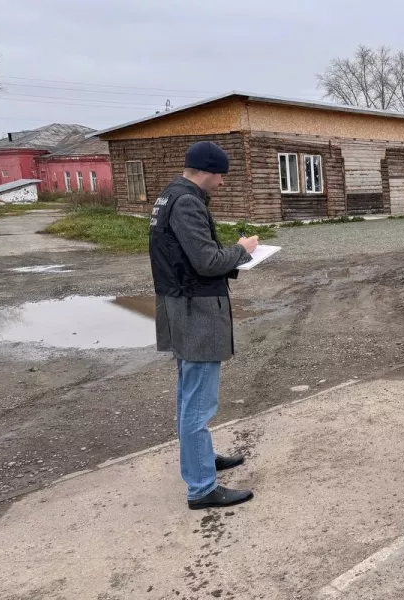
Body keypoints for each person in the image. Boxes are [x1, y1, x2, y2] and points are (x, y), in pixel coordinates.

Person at [148, 140, 259, 510]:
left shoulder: (169, 195)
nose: (223, 183)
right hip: (195, 311)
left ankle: (202, 459)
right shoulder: (187, 202)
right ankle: (201, 487)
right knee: (198, 403)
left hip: (181, 305)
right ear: (208, 171)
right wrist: (243, 250)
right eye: (221, 175)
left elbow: (187, 257)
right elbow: (207, 261)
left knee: (188, 396)